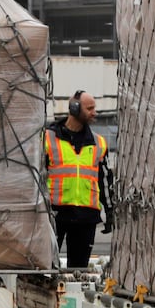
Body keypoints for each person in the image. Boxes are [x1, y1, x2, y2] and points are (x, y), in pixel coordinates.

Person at [45, 90, 113, 269]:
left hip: (86, 217)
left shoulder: (99, 143)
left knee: (79, 271)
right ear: (74, 109)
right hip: (55, 215)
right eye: (89, 108)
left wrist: (110, 211)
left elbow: (105, 179)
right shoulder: (48, 139)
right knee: (46, 268)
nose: (94, 113)